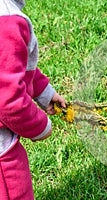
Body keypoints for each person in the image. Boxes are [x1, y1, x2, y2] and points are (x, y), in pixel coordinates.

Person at [0, 0, 66, 199]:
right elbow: (7, 98)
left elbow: (11, 68)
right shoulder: (7, 21)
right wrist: (40, 127)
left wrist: (44, 92)